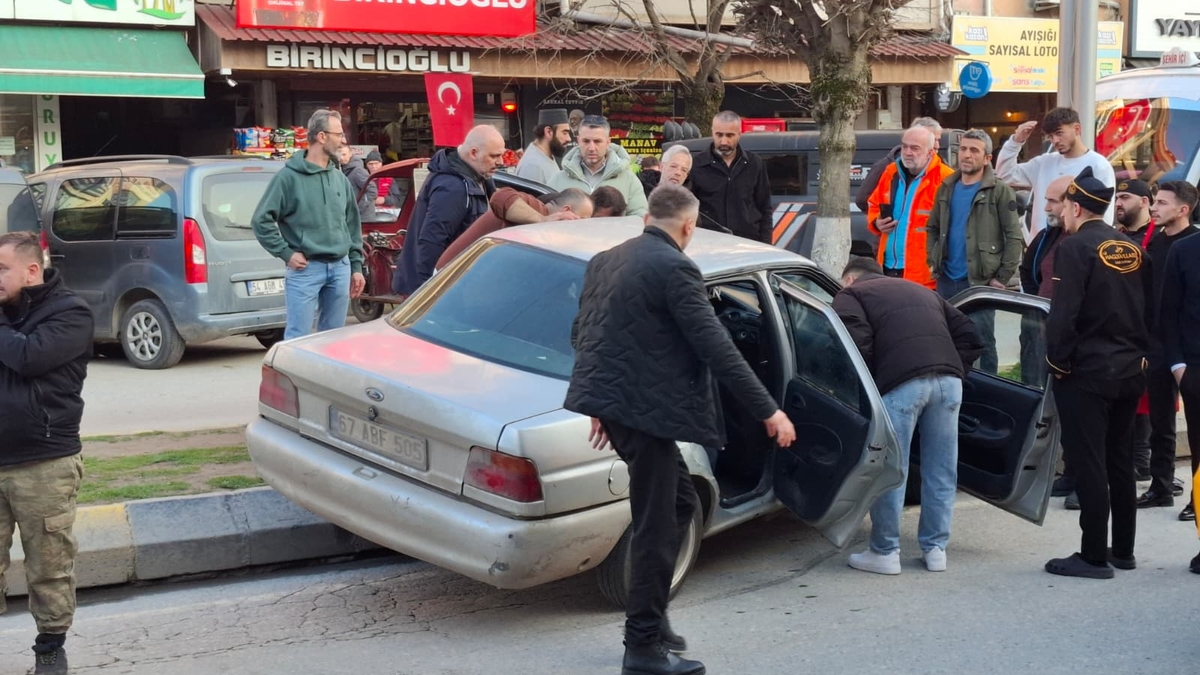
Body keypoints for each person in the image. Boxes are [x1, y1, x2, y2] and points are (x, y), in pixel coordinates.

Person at [565, 184, 796, 675]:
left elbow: (583, 332)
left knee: (680, 505)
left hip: (622, 407)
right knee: (656, 523)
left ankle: (654, 621)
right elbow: (717, 347)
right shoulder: (675, 267)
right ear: (689, 226)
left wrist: (599, 403)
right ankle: (642, 647)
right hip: (643, 412)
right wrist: (769, 411)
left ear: (646, 218)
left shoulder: (607, 259)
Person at [834, 257, 983, 576]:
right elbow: (970, 333)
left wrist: (872, 385)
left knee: (891, 469)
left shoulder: (851, 295)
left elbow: (855, 344)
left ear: (850, 278)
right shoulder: (923, 291)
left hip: (900, 385)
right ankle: (935, 550)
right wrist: (955, 369)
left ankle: (885, 551)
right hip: (949, 384)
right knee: (941, 469)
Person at [1043, 167, 1151, 580]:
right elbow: (1149, 309)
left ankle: (1092, 556)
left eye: (1063, 206)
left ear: (1075, 207)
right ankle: (1123, 549)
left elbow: (1064, 313)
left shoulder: (1074, 248)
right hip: (1129, 368)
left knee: (1089, 463)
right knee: (1119, 461)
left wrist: (1057, 363)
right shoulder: (1132, 247)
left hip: (1087, 371)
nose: (1060, 213)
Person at [0, 231, 94, 674]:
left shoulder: (70, 313)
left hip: (44, 463)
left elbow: (28, 357)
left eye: (1, 269)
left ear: (32, 270)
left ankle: (50, 649)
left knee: (49, 565)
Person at [252, 109, 366, 339]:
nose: (343, 140)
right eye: (339, 134)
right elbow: (260, 220)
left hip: (341, 268)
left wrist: (356, 267)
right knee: (298, 338)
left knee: (333, 340)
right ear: (322, 136)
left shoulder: (340, 179)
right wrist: (286, 253)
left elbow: (352, 226)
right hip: (306, 270)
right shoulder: (287, 178)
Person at [925, 128, 1023, 373]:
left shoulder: (999, 190)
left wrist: (1001, 278)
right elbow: (933, 227)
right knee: (948, 339)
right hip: (947, 278)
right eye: (963, 149)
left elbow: (1014, 237)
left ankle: (989, 388)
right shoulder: (946, 187)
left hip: (980, 281)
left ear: (987, 158)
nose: (967, 155)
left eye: (974, 150)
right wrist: (932, 259)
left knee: (982, 342)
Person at [393, 125, 506, 296]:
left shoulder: (477, 177)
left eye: (501, 155)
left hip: (455, 283)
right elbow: (431, 242)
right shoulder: (453, 187)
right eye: (494, 156)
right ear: (473, 153)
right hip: (440, 289)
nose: (501, 162)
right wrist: (428, 295)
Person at [1150, 181, 1200, 522]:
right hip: (1177, 355)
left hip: (1185, 356)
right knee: (1167, 425)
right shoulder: (1173, 247)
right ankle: (1169, 488)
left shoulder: (1186, 244)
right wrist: (1178, 364)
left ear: (1183, 209)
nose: (1154, 207)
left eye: (1161, 203)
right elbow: (1165, 306)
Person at [996, 107, 1116, 240]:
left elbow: (1104, 214)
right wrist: (1016, 141)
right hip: (1041, 244)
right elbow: (1005, 175)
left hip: (1078, 244)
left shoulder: (1099, 165)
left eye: (1059, 133)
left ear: (1077, 129)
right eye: (1050, 136)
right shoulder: (1044, 162)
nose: (1055, 141)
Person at [867, 124, 956, 288]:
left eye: (915, 148)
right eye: (904, 146)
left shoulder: (946, 178)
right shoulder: (891, 172)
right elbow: (873, 203)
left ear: (930, 152)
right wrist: (876, 222)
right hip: (887, 267)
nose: (908, 152)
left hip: (925, 276)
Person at [1115, 179, 1159, 484]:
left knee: (1146, 395)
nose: (1119, 203)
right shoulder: (1115, 236)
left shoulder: (1157, 238)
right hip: (1119, 327)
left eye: (1126, 197)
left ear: (1145, 202)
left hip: (1147, 328)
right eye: (1117, 197)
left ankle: (1143, 459)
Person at [435, 188, 593, 268]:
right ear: (566, 210)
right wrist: (542, 220)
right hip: (451, 276)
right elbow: (500, 197)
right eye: (582, 219)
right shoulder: (536, 208)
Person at [688, 111, 773, 242]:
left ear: (739, 134)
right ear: (712, 132)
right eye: (719, 135)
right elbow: (688, 209)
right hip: (709, 243)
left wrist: (766, 244)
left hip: (748, 243)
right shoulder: (696, 164)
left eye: (729, 135)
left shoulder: (755, 163)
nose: (724, 141)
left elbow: (765, 208)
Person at [548, 115, 649, 217]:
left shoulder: (629, 179)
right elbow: (545, 214)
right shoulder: (558, 179)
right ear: (578, 141)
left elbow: (640, 216)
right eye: (586, 141)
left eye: (597, 141)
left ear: (608, 142)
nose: (591, 148)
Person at [855, 117, 944, 214]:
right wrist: (879, 219)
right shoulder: (887, 168)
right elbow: (863, 200)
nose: (937, 145)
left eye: (938, 140)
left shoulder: (943, 170)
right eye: (933, 139)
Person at [515, 108, 571, 185]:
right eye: (565, 133)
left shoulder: (545, 156)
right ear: (548, 132)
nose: (569, 139)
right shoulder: (532, 166)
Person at [337, 146, 376, 223]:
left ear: (350, 154)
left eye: (344, 154)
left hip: (363, 218)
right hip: (353, 216)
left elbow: (372, 190)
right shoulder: (343, 170)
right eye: (339, 155)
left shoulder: (358, 170)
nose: (341, 158)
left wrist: (358, 208)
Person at [1115, 179, 1156, 246]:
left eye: (1125, 197)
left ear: (1144, 201)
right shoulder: (1113, 236)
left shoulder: (1160, 235)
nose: (1117, 204)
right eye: (1117, 198)